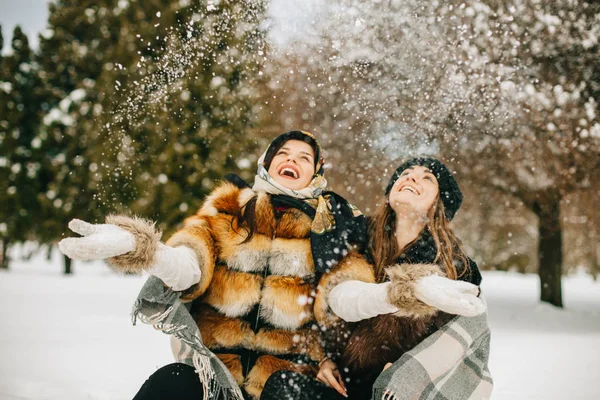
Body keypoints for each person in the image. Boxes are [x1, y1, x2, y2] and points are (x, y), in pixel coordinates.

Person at [58, 131, 367, 400]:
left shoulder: (331, 228)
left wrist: (393, 294)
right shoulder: (228, 209)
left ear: (315, 171)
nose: (292, 160)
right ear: (267, 163)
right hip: (217, 382)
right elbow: (191, 261)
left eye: (304, 157)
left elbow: (344, 295)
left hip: (286, 383)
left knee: (289, 390)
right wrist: (148, 251)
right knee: (173, 380)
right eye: (282, 153)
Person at [261, 157, 491, 400]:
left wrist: (409, 375)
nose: (411, 177)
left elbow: (457, 344)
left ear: (439, 202)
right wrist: (323, 359)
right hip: (343, 389)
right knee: (283, 385)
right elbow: (330, 301)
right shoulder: (356, 240)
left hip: (400, 394)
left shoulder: (456, 268)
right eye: (405, 173)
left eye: (427, 178)